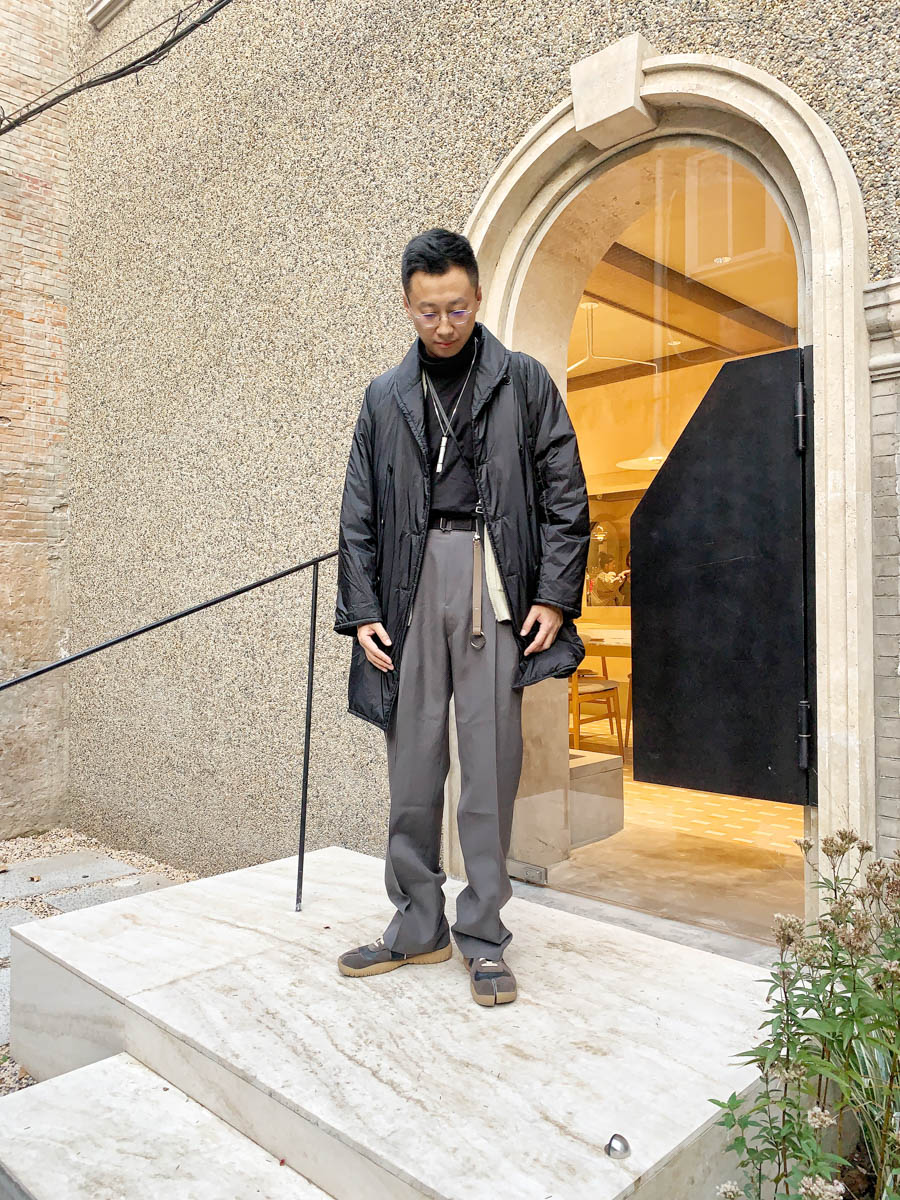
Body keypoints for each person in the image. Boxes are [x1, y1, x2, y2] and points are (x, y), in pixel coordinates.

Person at [333, 228, 590, 1006]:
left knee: (490, 764)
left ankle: (482, 934)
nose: (444, 325)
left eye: (456, 308)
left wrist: (553, 595)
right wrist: (363, 610)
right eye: (428, 311)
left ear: (477, 297)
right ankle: (418, 925)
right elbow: (357, 512)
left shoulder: (524, 380)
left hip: (494, 584)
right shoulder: (384, 396)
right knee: (412, 765)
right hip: (409, 590)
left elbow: (566, 494)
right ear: (406, 306)